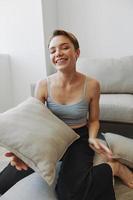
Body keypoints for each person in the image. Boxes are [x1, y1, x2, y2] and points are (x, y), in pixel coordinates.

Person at [0, 30, 133, 199]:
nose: (58, 54)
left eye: (64, 48)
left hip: (79, 138)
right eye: (53, 50)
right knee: (3, 182)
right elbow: (35, 124)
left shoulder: (92, 85)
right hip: (52, 136)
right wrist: (23, 153)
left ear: (76, 53)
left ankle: (114, 168)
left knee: (69, 193)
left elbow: (93, 120)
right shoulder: (42, 85)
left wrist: (93, 137)